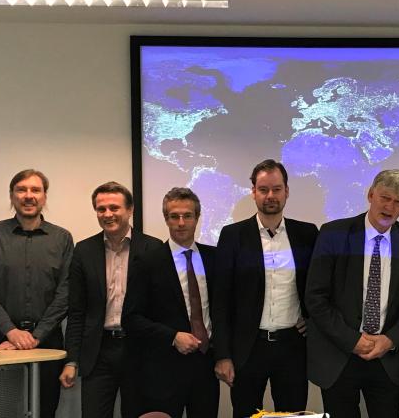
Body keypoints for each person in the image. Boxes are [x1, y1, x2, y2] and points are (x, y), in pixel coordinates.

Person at [304, 169, 399, 418]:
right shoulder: (333, 234)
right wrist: (352, 340)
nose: (389, 207)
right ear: (370, 195)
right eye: (385, 197)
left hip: (385, 359)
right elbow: (315, 297)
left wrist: (390, 339)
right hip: (339, 356)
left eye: (398, 202)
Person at [212, 160, 319, 417]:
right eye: (263, 189)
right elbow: (221, 299)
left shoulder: (307, 234)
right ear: (253, 192)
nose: (270, 195)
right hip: (248, 348)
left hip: (292, 347)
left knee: (292, 415)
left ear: (287, 191)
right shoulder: (233, 236)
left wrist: (312, 321)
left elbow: (318, 287)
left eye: (276, 189)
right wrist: (223, 355)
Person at [0, 169, 73, 418]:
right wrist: (12, 332)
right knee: (0, 411)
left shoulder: (62, 238)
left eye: (35, 190)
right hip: (1, 340)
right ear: (12, 196)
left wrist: (36, 336)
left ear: (44, 196)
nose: (29, 195)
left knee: (44, 410)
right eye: (21, 190)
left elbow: (66, 293)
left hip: (47, 343)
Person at [60, 181, 164, 418]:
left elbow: (160, 309)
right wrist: (72, 360)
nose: (108, 214)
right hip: (98, 352)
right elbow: (77, 311)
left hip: (139, 350)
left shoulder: (153, 248)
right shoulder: (83, 250)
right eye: (101, 209)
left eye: (114, 208)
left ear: (130, 209)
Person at [123, 187, 219, 418]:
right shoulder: (147, 262)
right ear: (166, 219)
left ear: (197, 217)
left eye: (187, 215)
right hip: (163, 370)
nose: (181, 222)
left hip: (206, 366)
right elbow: (131, 318)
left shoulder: (214, 258)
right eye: (174, 216)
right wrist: (172, 336)